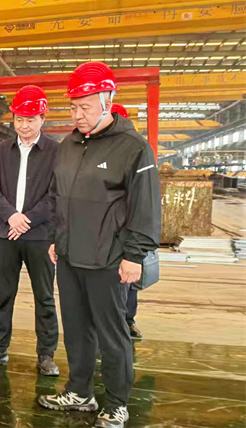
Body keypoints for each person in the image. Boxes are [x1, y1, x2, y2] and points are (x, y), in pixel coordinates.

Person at [39, 62, 160, 428]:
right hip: (70, 255)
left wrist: (134, 255)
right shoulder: (69, 145)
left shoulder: (133, 148)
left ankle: (117, 403)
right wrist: (56, 238)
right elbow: (58, 196)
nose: (77, 114)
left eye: (85, 107)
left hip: (109, 258)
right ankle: (80, 392)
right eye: (73, 107)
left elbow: (145, 207)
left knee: (112, 334)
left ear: (108, 101)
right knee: (76, 329)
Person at [0, 85, 60, 377]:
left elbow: (56, 193)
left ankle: (46, 354)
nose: (24, 126)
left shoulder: (56, 151)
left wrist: (26, 219)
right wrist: (11, 216)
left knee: (44, 296)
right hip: (6, 234)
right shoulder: (3, 150)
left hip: (40, 236)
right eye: (19, 120)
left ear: (42, 118)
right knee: (4, 294)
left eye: (30, 119)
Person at [111, 103, 143, 340]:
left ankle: (128, 320)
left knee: (128, 283)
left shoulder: (135, 152)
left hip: (126, 233)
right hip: (101, 238)